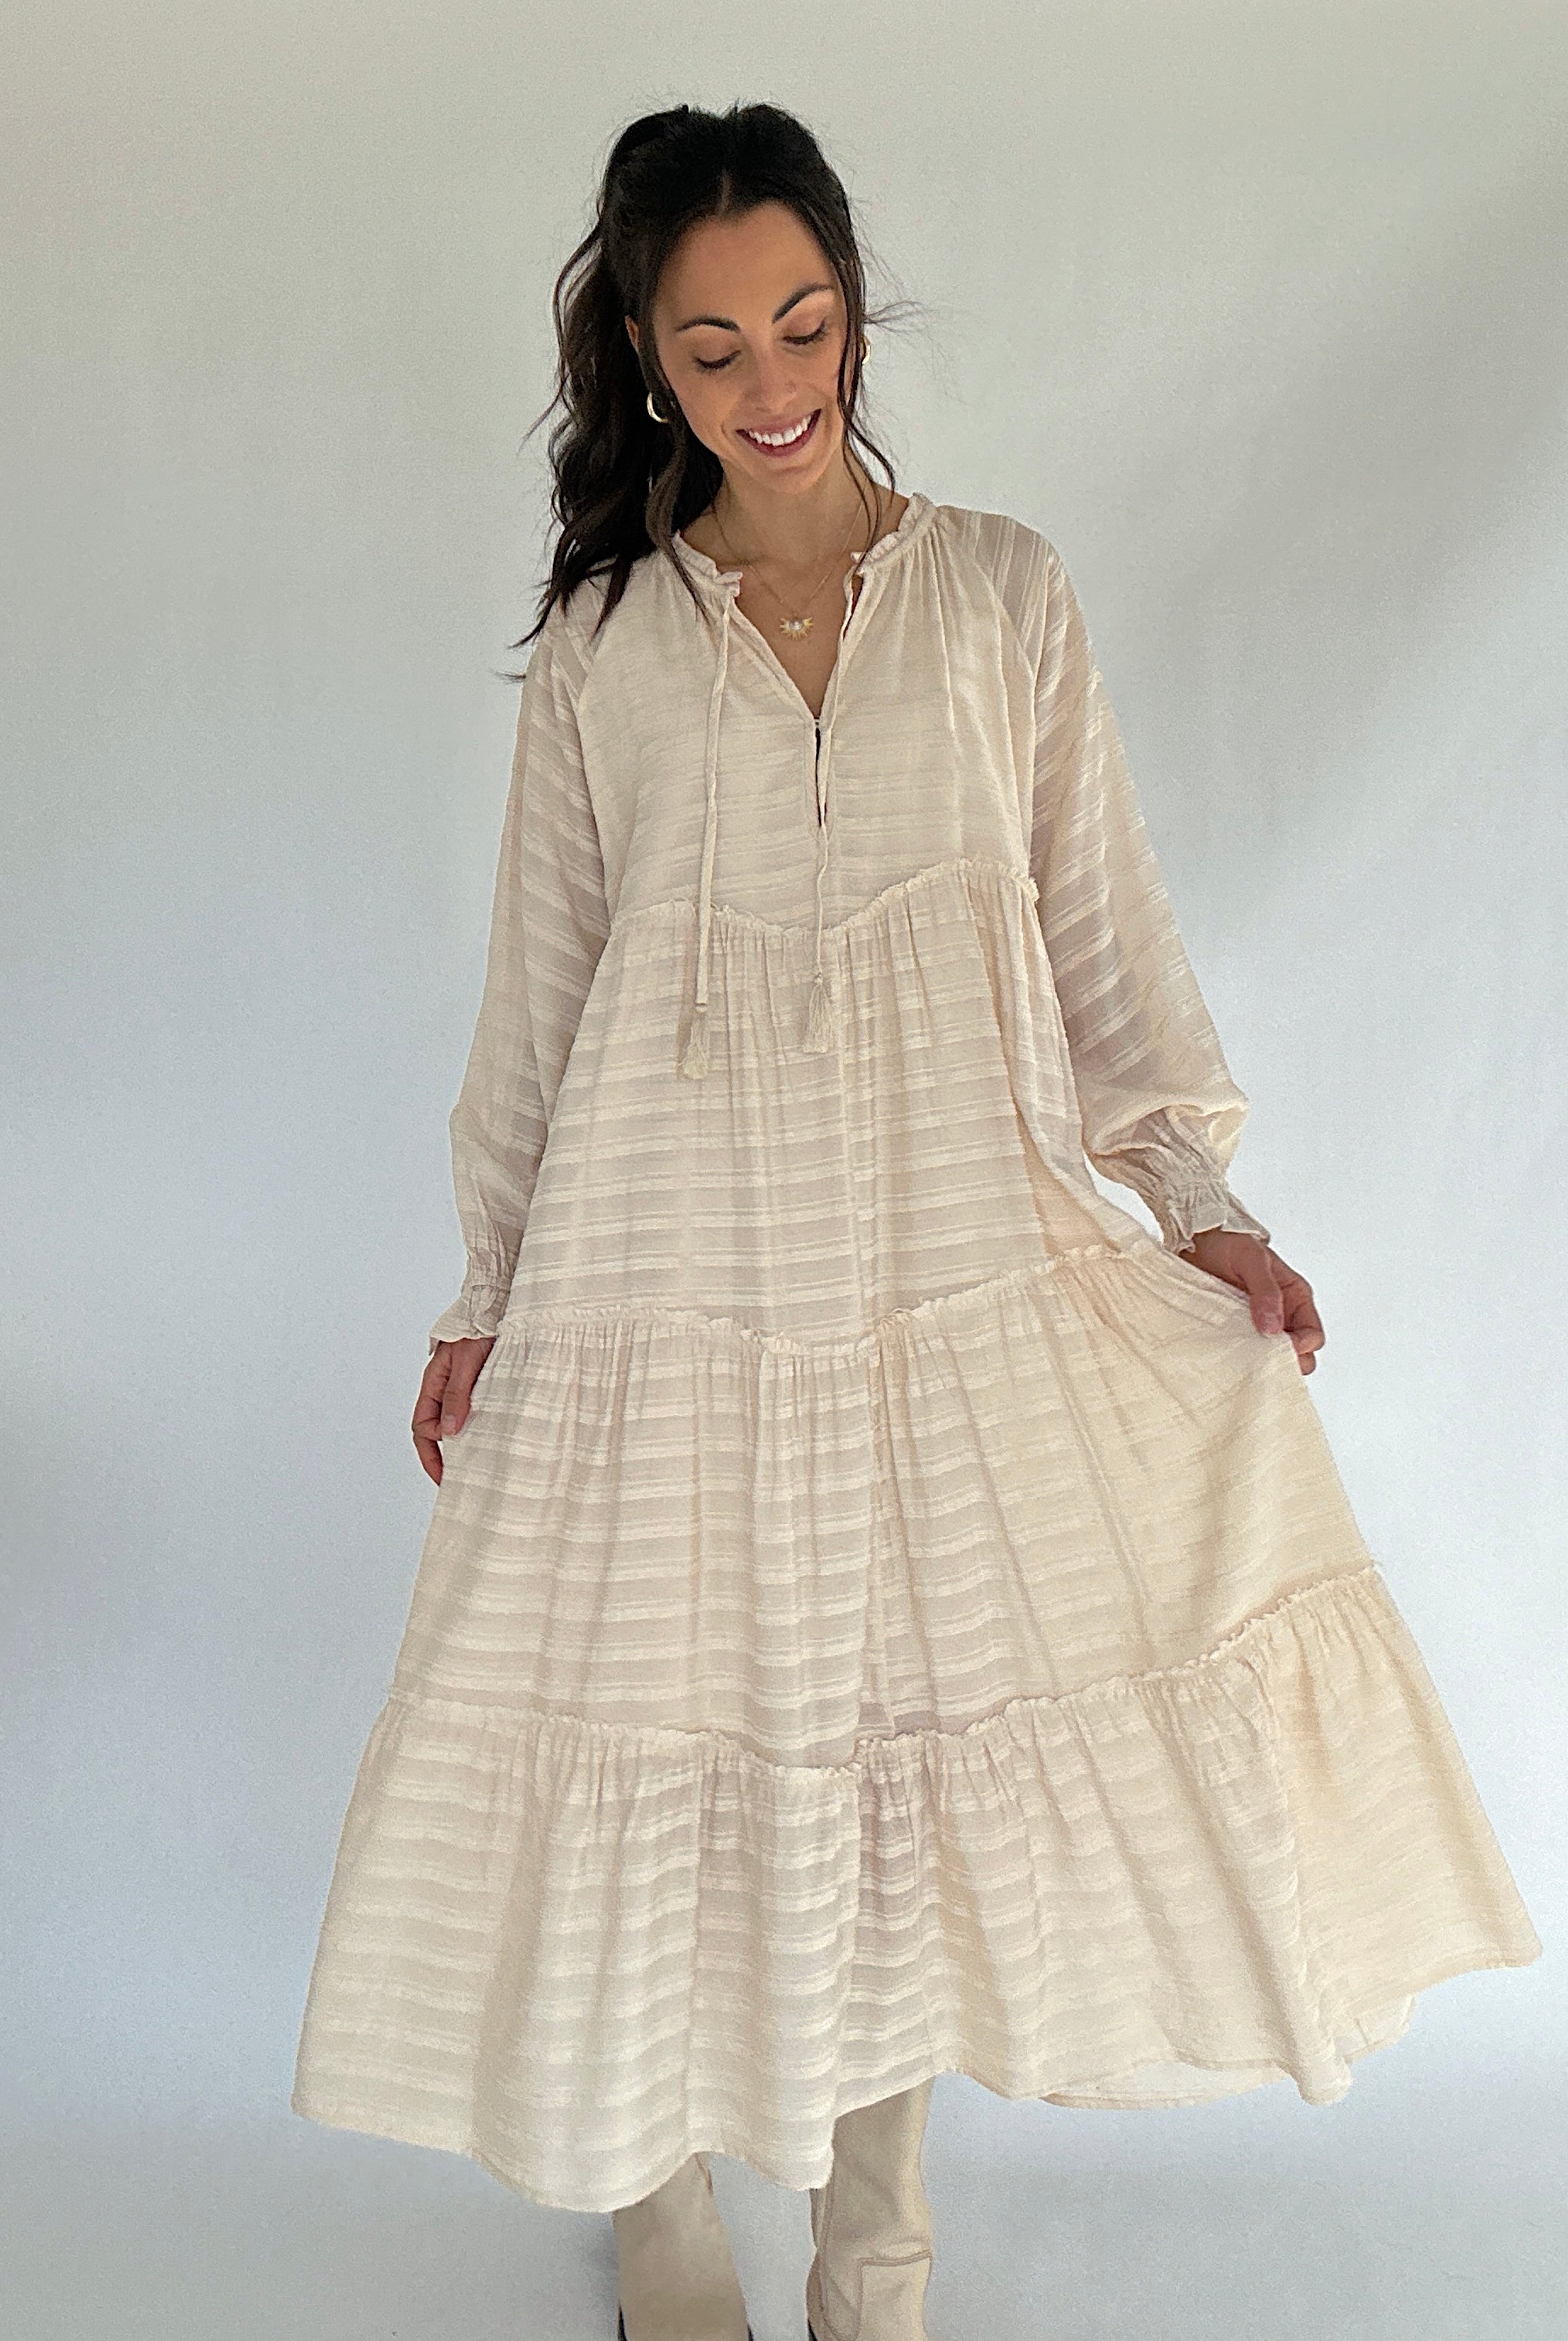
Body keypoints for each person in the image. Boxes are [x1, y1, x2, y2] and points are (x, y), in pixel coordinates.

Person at [290, 101, 1541, 2341]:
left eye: (803, 323)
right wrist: (484, 1290)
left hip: (931, 1263)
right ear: (645, 363)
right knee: (642, 1728)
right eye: (711, 349)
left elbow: (1099, 938)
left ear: (854, 309)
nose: (771, 383)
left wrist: (1199, 1202)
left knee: (882, 1764)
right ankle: (661, 2220)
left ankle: (873, 2252)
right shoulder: (603, 642)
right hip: (652, 1286)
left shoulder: (1000, 593)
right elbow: (542, 1002)